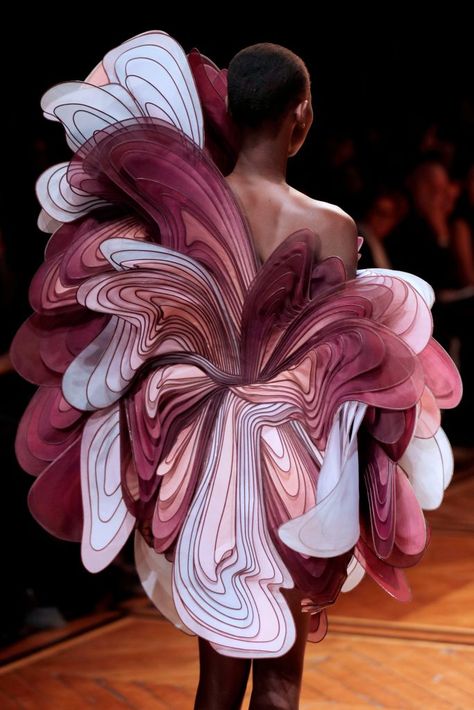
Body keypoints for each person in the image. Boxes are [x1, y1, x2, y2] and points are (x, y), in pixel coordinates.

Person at [10, 31, 462, 710]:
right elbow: (345, 362)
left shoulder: (178, 214)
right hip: (297, 463)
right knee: (280, 678)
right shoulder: (333, 227)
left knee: (217, 678)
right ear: (300, 114)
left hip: (199, 457)